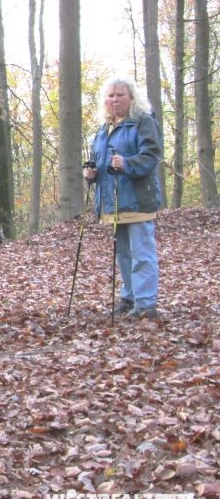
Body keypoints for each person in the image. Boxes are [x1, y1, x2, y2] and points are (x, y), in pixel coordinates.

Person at [82, 76, 162, 319]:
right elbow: (101, 161)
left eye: (120, 95)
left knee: (141, 251)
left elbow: (151, 156)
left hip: (136, 199)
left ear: (131, 98)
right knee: (124, 253)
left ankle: (146, 303)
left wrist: (128, 163)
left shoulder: (143, 122)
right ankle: (129, 296)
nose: (114, 100)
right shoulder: (103, 129)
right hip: (112, 201)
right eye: (110, 96)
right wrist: (90, 172)